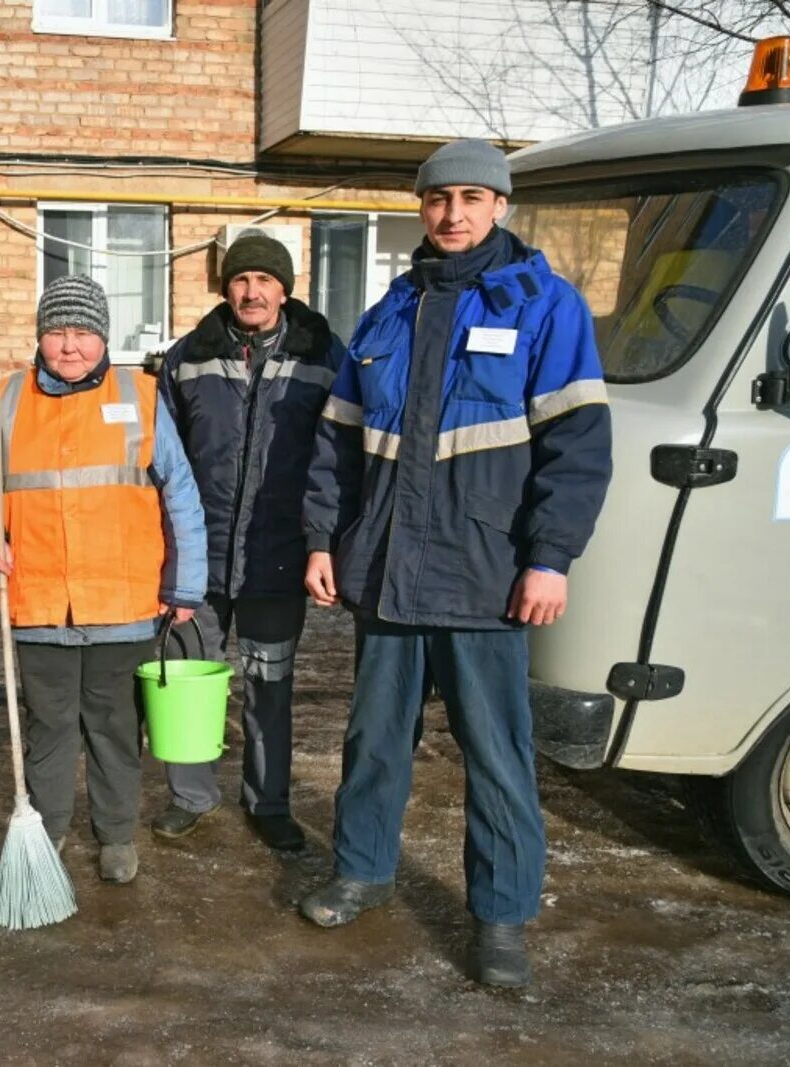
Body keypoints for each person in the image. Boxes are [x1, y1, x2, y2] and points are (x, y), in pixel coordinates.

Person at [298, 139, 613, 987]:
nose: (455, 213)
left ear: (501, 206)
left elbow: (578, 448)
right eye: (440, 198)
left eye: (474, 197)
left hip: (486, 574)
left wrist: (550, 559)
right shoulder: (387, 313)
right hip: (388, 569)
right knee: (373, 742)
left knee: (498, 756)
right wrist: (324, 538)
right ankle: (363, 870)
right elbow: (336, 447)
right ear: (420, 206)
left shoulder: (545, 305)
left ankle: (502, 917)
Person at [0, 275, 207, 884]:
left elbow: (181, 494)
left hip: (121, 600)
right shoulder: (7, 400)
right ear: (39, 337)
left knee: (115, 727)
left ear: (104, 338)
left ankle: (117, 834)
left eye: (84, 333)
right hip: (38, 598)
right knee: (48, 730)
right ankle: (49, 831)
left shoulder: (141, 396)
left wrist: (186, 585)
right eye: (57, 332)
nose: (70, 347)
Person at [150, 229, 344, 851]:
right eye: (240, 279)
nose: (251, 291)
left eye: (264, 280)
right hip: (197, 558)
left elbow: (335, 456)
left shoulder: (323, 356)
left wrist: (323, 538)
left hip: (277, 556)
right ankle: (190, 795)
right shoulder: (188, 356)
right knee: (187, 681)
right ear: (225, 288)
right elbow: (162, 459)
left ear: (285, 289)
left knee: (269, 686)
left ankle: (269, 802)